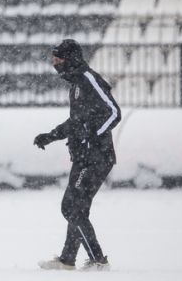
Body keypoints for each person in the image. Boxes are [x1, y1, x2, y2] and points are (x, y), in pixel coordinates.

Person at [34, 39, 121, 271]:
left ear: (71, 59)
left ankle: (98, 260)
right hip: (83, 157)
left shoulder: (89, 79)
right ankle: (67, 259)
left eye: (58, 59)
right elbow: (76, 123)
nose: (55, 64)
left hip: (97, 157)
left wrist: (92, 135)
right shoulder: (75, 85)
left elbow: (114, 113)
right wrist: (51, 136)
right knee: (76, 208)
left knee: (72, 208)